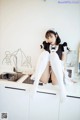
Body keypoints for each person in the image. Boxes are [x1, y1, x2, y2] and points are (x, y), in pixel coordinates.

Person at [31, 30, 69, 102]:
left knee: (54, 55)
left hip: (57, 74)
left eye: (51, 37)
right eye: (47, 38)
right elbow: (42, 60)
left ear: (56, 36)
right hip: (46, 73)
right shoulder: (47, 46)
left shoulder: (61, 46)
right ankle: (35, 85)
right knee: (45, 53)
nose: (49, 39)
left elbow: (62, 63)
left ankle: (62, 87)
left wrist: (55, 62)